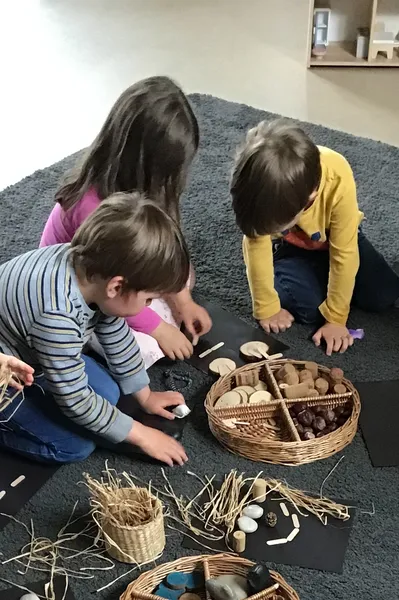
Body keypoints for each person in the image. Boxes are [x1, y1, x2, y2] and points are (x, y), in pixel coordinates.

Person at [0, 192, 190, 466]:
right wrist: (141, 435)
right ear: (116, 286)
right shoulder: (56, 317)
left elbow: (115, 332)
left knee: (111, 393)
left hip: (30, 351)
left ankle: (48, 375)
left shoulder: (92, 270)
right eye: (148, 299)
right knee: (75, 447)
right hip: (5, 375)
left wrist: (144, 395)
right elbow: (75, 399)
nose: (149, 305)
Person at [40, 76, 211, 368]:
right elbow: (114, 291)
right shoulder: (94, 209)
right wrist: (159, 329)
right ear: (145, 167)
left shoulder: (145, 193)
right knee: (143, 350)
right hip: (83, 294)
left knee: (181, 275)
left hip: (118, 277)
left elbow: (159, 256)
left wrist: (183, 302)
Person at [231, 119, 399, 356]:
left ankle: (316, 275)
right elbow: (255, 241)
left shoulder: (337, 174)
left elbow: (345, 253)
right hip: (290, 248)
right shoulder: (260, 188)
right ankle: (290, 271)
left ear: (309, 198)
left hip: (336, 240)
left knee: (385, 295)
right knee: (310, 311)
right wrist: (266, 306)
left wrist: (336, 319)